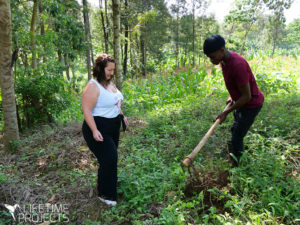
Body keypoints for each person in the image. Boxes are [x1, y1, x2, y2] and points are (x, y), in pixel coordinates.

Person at [203, 34, 264, 167]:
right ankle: (234, 157)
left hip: (251, 105)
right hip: (241, 102)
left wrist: (226, 112)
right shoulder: (224, 61)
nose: (211, 60)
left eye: (212, 56)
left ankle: (239, 165)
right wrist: (232, 97)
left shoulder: (238, 64)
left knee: (237, 136)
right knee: (235, 130)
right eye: (209, 57)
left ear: (222, 50)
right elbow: (238, 85)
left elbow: (247, 96)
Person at [82, 54, 129, 206]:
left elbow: (116, 103)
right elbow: (87, 110)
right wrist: (94, 130)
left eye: (113, 70)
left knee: (109, 159)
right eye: (109, 70)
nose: (111, 73)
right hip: (98, 127)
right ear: (100, 69)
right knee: (109, 157)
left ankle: (108, 187)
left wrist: (122, 116)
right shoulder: (93, 86)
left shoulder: (109, 83)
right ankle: (105, 195)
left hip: (113, 126)